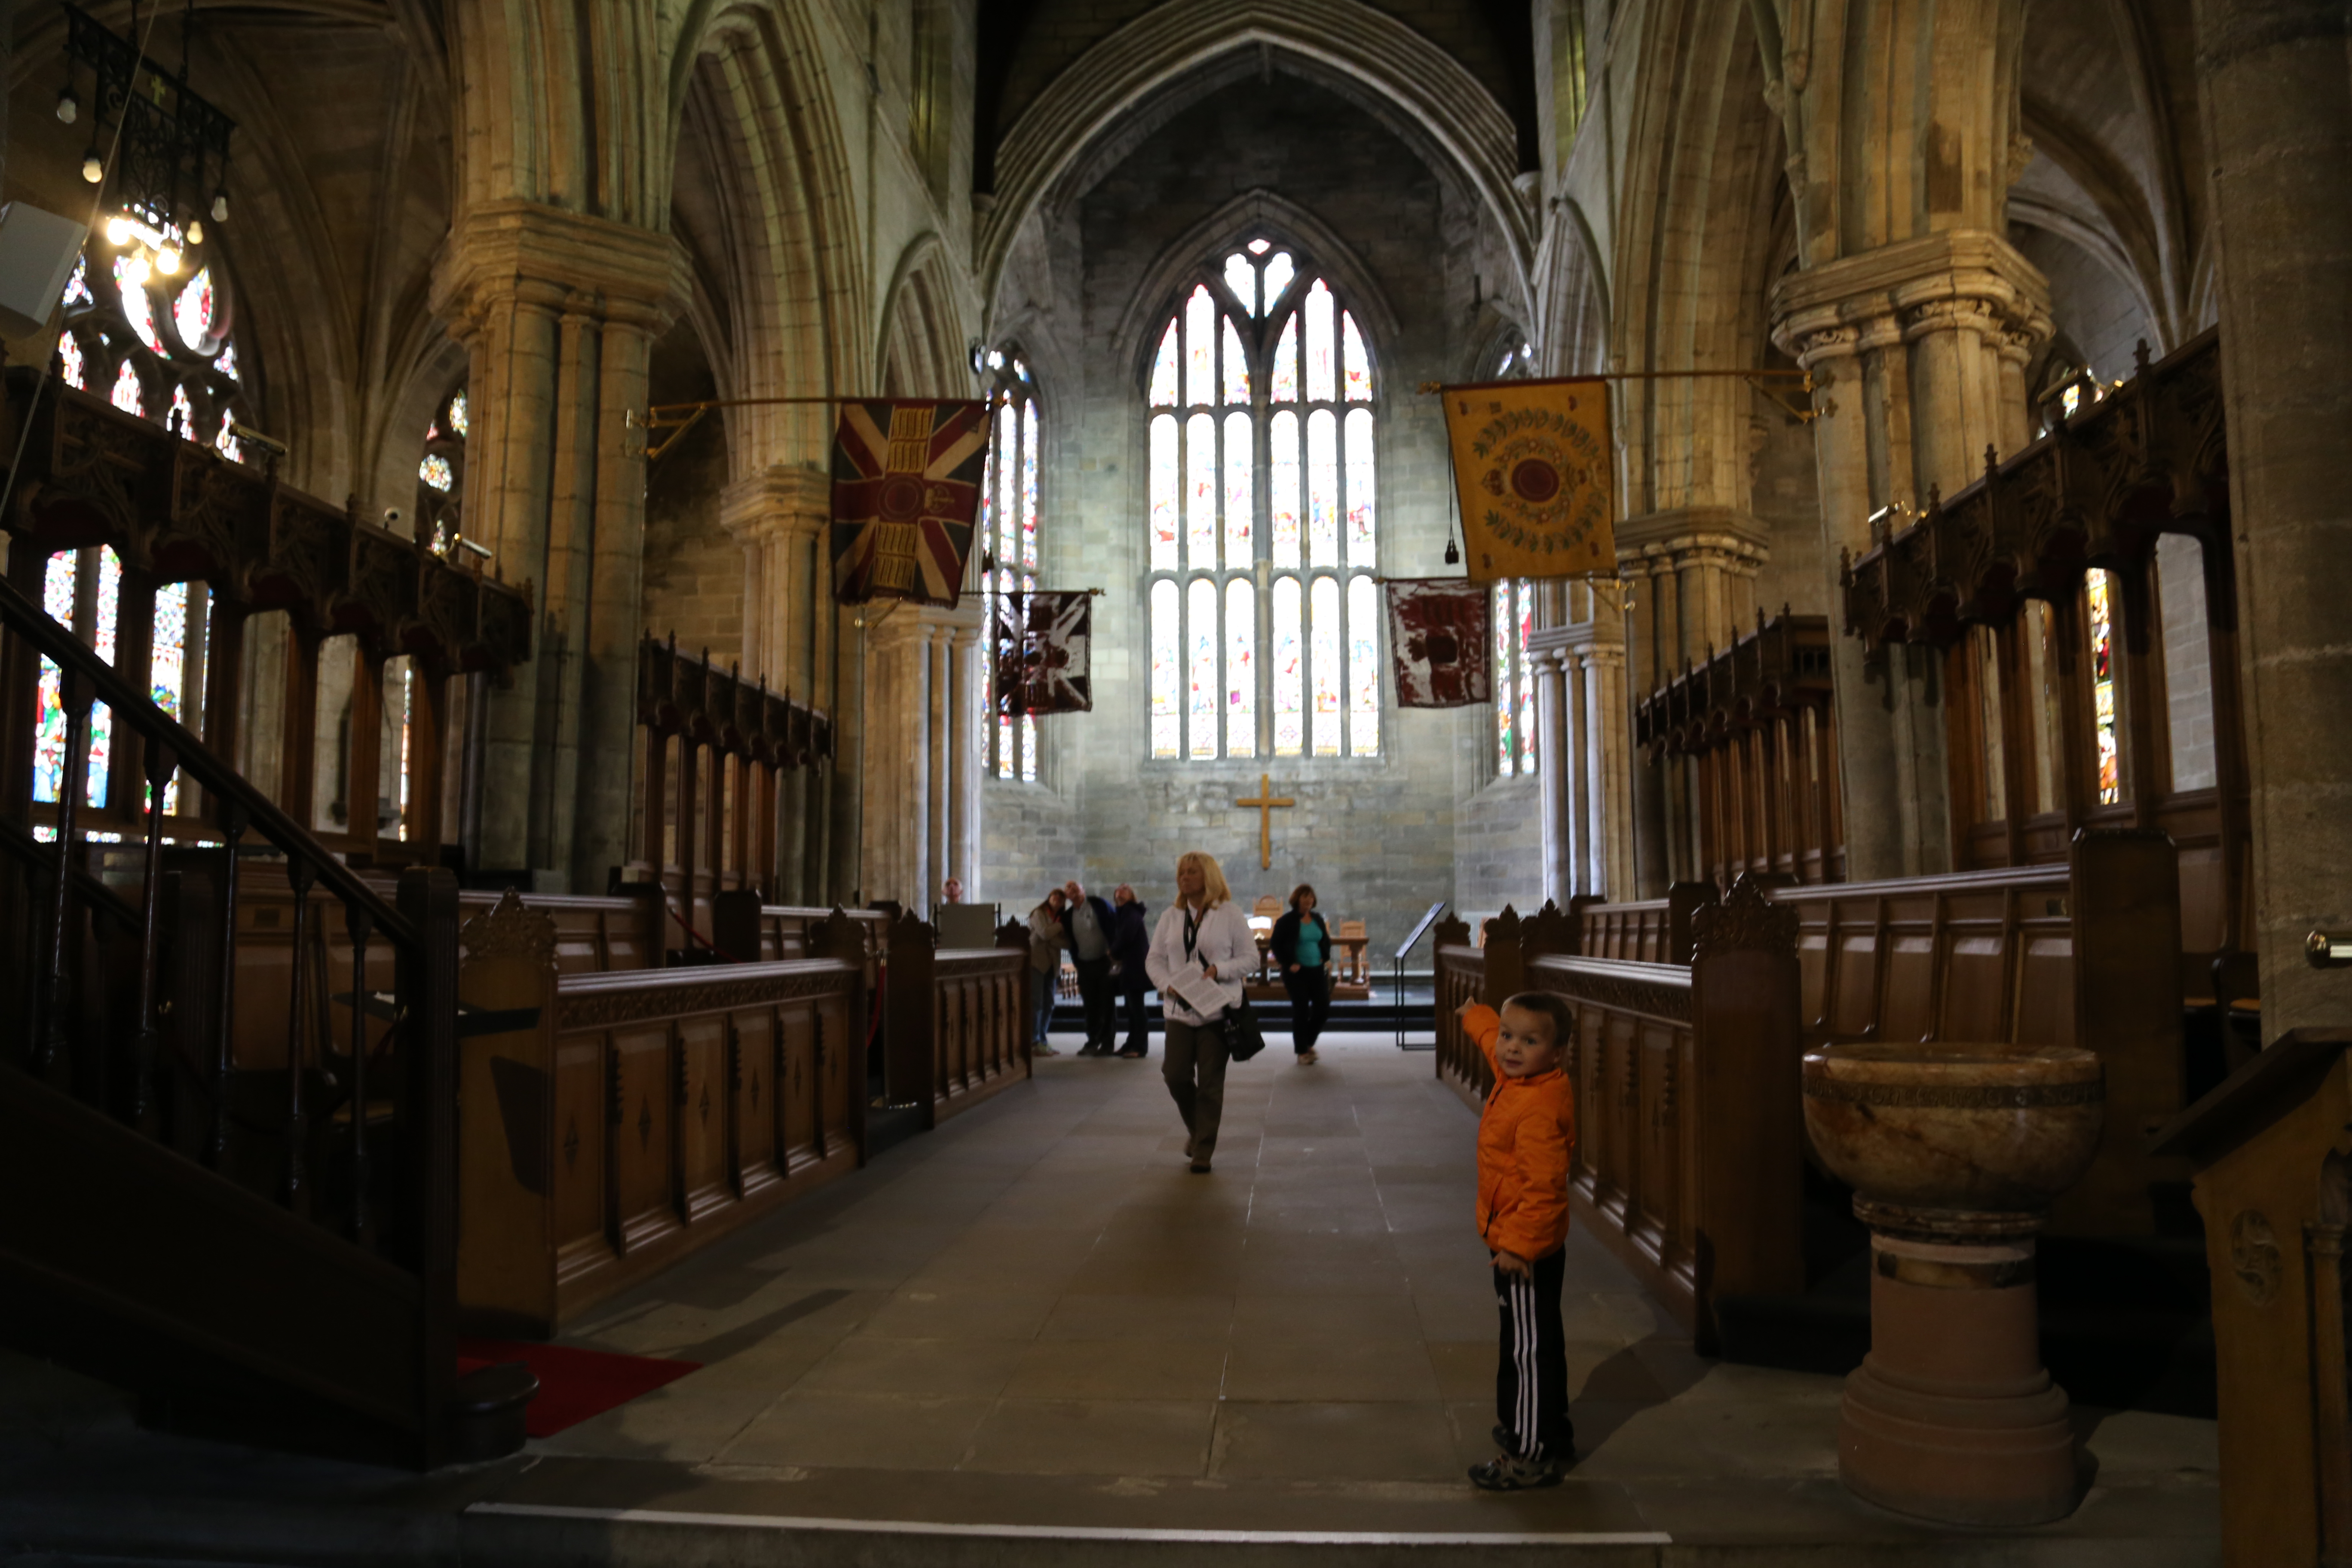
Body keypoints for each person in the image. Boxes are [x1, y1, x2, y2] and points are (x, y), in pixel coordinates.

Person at [1455, 991, 1579, 1490]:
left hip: (1523, 1249)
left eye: (1528, 1041)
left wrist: (1518, 1247)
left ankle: (1528, 1453)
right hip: (1519, 1239)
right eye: (1509, 1036)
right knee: (1541, 1337)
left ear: (1557, 1053)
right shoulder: (1521, 1075)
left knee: (1526, 1350)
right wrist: (1476, 1018)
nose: (1510, 1048)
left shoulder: (1538, 1110)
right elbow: (1492, 1042)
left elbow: (1545, 1191)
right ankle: (1552, 1430)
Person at [1145, 850, 1255, 1173]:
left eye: (1192, 871)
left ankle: (1203, 1150)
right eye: (1182, 871)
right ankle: (1197, 1130)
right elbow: (1154, 959)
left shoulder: (1230, 914)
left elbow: (1251, 959)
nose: (1185, 877)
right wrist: (1168, 985)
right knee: (1175, 1075)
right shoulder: (1171, 916)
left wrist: (1220, 969)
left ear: (1208, 876)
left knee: (1210, 1083)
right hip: (1180, 1008)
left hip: (1217, 1010)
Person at [1270, 882, 1333, 1064]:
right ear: (1297, 899)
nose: (1309, 901)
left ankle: (1308, 1042)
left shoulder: (1317, 919)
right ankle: (1302, 1052)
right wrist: (1289, 964)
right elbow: (1276, 945)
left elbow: (1325, 940)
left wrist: (1325, 956)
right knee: (1301, 1010)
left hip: (1317, 970)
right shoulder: (1286, 921)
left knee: (1323, 1008)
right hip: (1297, 973)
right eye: (1305, 897)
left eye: (1311, 897)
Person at [1060, 880, 1118, 1055]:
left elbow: (1113, 923)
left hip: (1104, 961)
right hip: (1084, 964)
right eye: (1068, 888)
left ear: (1083, 890)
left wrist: (1114, 952)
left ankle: (1107, 1043)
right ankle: (1093, 1040)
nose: (1072, 889)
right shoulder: (1068, 915)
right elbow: (1070, 940)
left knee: (1107, 1004)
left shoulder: (1098, 904)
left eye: (1075, 886)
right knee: (1090, 1005)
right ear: (1067, 896)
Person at [1110, 883, 1152, 1059]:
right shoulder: (1123, 913)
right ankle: (1131, 1043)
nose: (1120, 891)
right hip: (1129, 967)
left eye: (1125, 889)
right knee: (1130, 1008)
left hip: (1135, 967)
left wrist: (1113, 952)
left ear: (1132, 895)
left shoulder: (1131, 912)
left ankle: (1140, 1046)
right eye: (1118, 889)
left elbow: (1125, 938)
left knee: (1136, 1009)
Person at [1025, 889, 1068, 1057]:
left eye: (1061, 898)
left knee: (1049, 1003)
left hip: (1052, 965)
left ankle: (1042, 1038)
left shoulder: (1061, 917)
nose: (1057, 899)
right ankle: (1033, 1041)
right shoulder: (1039, 913)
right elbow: (1043, 933)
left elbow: (1068, 943)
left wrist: (1052, 935)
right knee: (1036, 1002)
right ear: (1048, 899)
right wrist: (1060, 927)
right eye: (1054, 896)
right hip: (1037, 962)